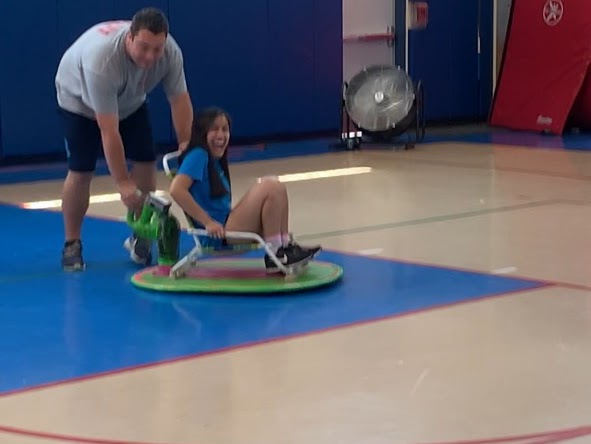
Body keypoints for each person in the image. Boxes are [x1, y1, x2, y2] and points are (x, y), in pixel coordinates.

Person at [55, 7, 193, 271]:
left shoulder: (171, 52)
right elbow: (109, 130)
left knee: (145, 162)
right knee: (81, 170)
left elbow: (179, 99)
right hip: (78, 102)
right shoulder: (103, 61)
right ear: (129, 37)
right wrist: (122, 183)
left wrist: (186, 144)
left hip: (130, 101)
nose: (151, 56)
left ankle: (141, 232)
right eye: (144, 47)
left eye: (157, 49)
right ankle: (72, 243)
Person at [169, 107, 321, 272]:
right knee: (269, 186)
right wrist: (208, 222)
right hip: (219, 235)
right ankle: (276, 253)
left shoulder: (213, 161)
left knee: (277, 186)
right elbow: (176, 190)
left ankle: (284, 246)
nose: (221, 135)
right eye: (214, 129)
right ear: (202, 133)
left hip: (227, 226)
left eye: (225, 129)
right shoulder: (198, 155)